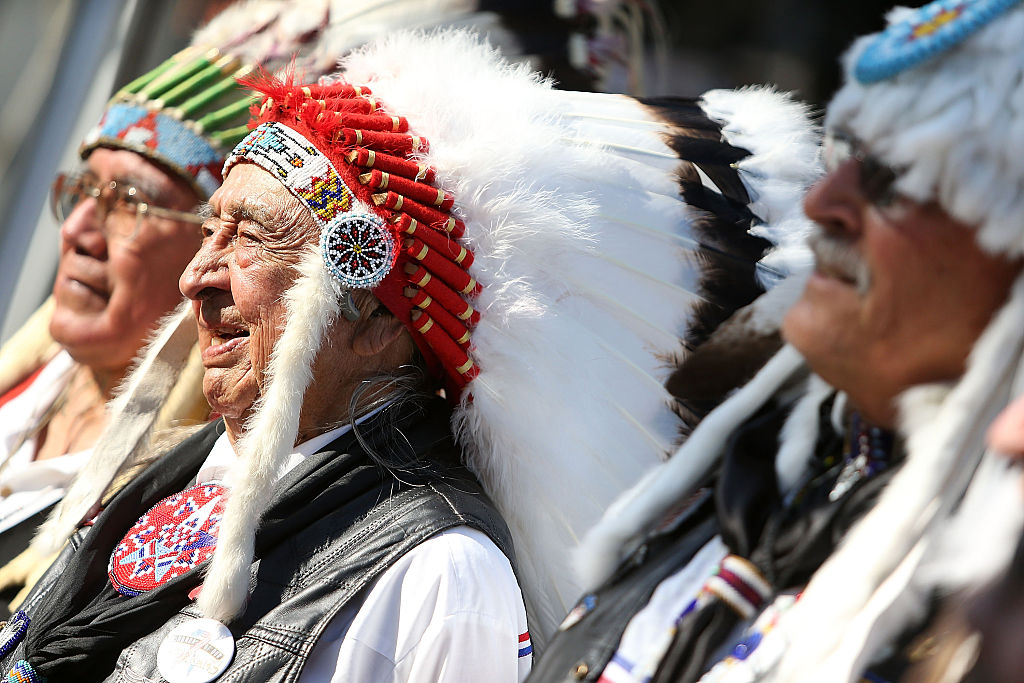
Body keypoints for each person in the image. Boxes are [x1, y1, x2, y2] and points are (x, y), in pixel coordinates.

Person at [0, 29, 819, 682]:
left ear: (376, 321)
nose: (194, 277)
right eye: (208, 229)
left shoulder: (443, 581)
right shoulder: (177, 472)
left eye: (247, 239)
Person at [528, 1, 1024, 682]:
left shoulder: (990, 596)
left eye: (903, 176)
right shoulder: (743, 489)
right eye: (849, 155)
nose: (825, 201)